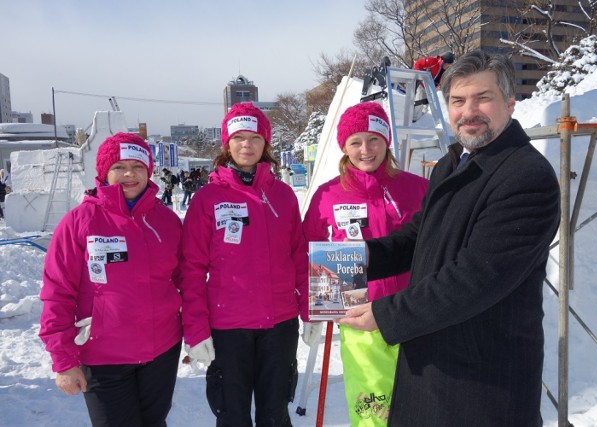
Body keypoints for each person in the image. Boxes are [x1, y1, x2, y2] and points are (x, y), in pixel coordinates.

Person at [339, 50, 561, 426]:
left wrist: (386, 313)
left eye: (483, 98)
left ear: (509, 104)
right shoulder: (453, 162)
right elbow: (418, 236)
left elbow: (475, 277)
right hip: (435, 366)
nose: (468, 111)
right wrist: (359, 258)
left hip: (484, 382)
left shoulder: (526, 176)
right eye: (458, 100)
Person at [39, 132, 184, 426]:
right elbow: (57, 293)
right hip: (104, 355)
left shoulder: (167, 221)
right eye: (119, 166)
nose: (129, 174)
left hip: (162, 352)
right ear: (104, 172)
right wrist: (63, 360)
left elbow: (186, 280)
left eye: (138, 166)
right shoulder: (79, 222)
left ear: (149, 171)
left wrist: (195, 331)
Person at [180, 102, 308, 427]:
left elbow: (300, 258)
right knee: (232, 417)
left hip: (279, 326)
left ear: (266, 143)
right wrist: (196, 329)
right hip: (228, 328)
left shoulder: (283, 196)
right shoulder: (207, 198)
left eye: (254, 137)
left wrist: (311, 311)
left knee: (275, 416)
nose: (246, 145)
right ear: (227, 144)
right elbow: (191, 270)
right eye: (239, 138)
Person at [302, 101, 428, 426]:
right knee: (372, 410)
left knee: (421, 404)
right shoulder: (328, 195)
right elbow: (310, 249)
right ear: (344, 147)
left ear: (387, 140)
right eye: (355, 142)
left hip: (414, 312)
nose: (365, 149)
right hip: (358, 315)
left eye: (373, 139)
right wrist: (316, 307)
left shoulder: (418, 189)